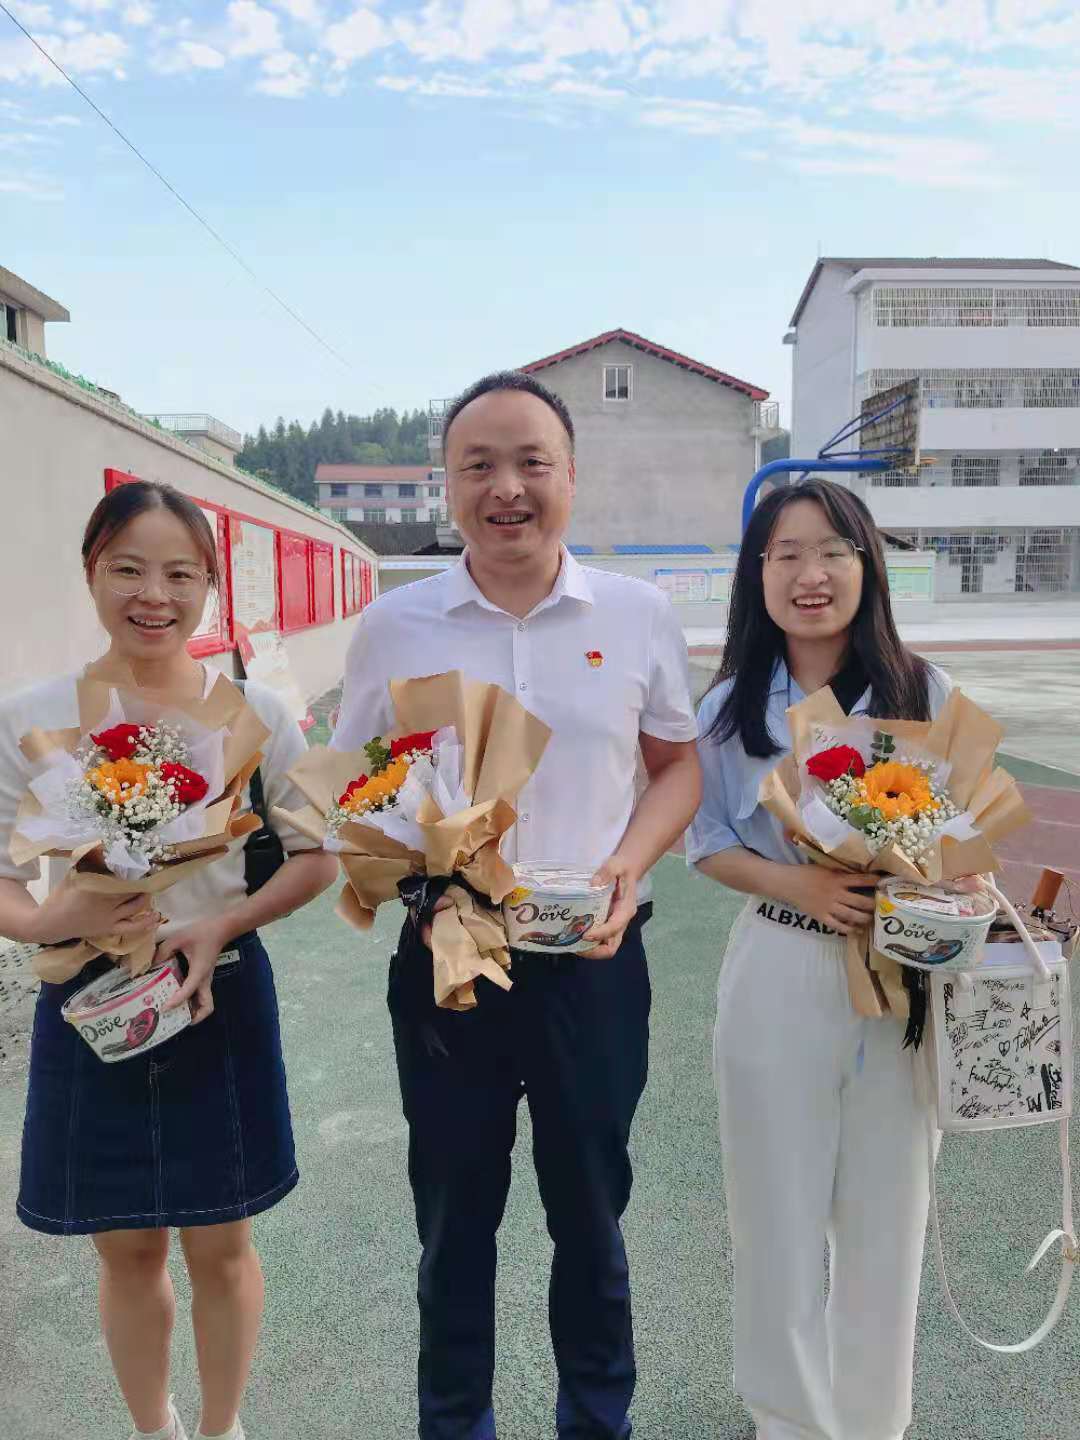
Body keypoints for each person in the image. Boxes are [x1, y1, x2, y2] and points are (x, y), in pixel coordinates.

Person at [333, 371, 702, 1440]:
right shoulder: (394, 626)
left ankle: (596, 1420)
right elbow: (354, 784)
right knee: (455, 1221)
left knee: (591, 1215)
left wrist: (627, 865)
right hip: (449, 967)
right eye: (478, 466)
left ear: (570, 477)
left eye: (531, 462)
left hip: (594, 964)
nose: (507, 488)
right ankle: (457, 1424)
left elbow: (676, 766)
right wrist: (410, 856)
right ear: (445, 486)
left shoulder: (635, 615)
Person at [0, 481, 338, 1440]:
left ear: (209, 586)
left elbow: (317, 856)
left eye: (180, 574)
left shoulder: (257, 713)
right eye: (129, 570)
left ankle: (223, 1429)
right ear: (91, 574)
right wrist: (50, 916)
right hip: (91, 998)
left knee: (222, 1244)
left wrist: (223, 925)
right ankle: (155, 1429)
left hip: (215, 995)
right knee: (128, 1252)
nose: (154, 595)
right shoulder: (32, 716)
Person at [687, 478, 956, 1440]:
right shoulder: (729, 707)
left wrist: (932, 887)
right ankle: (790, 1423)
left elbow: (962, 836)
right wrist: (798, 884)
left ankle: (875, 1423)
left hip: (898, 980)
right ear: (757, 574)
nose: (812, 574)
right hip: (779, 968)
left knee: (889, 1217)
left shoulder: (923, 692)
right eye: (787, 554)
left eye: (834, 552)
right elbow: (705, 842)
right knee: (776, 1220)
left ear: (867, 566)